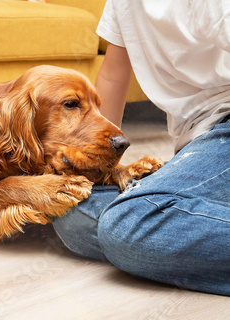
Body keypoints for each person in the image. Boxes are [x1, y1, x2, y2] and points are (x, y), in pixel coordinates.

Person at [53, 0, 230, 296]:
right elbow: (113, 74)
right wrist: (99, 157)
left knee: (129, 223)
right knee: (73, 211)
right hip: (201, 140)